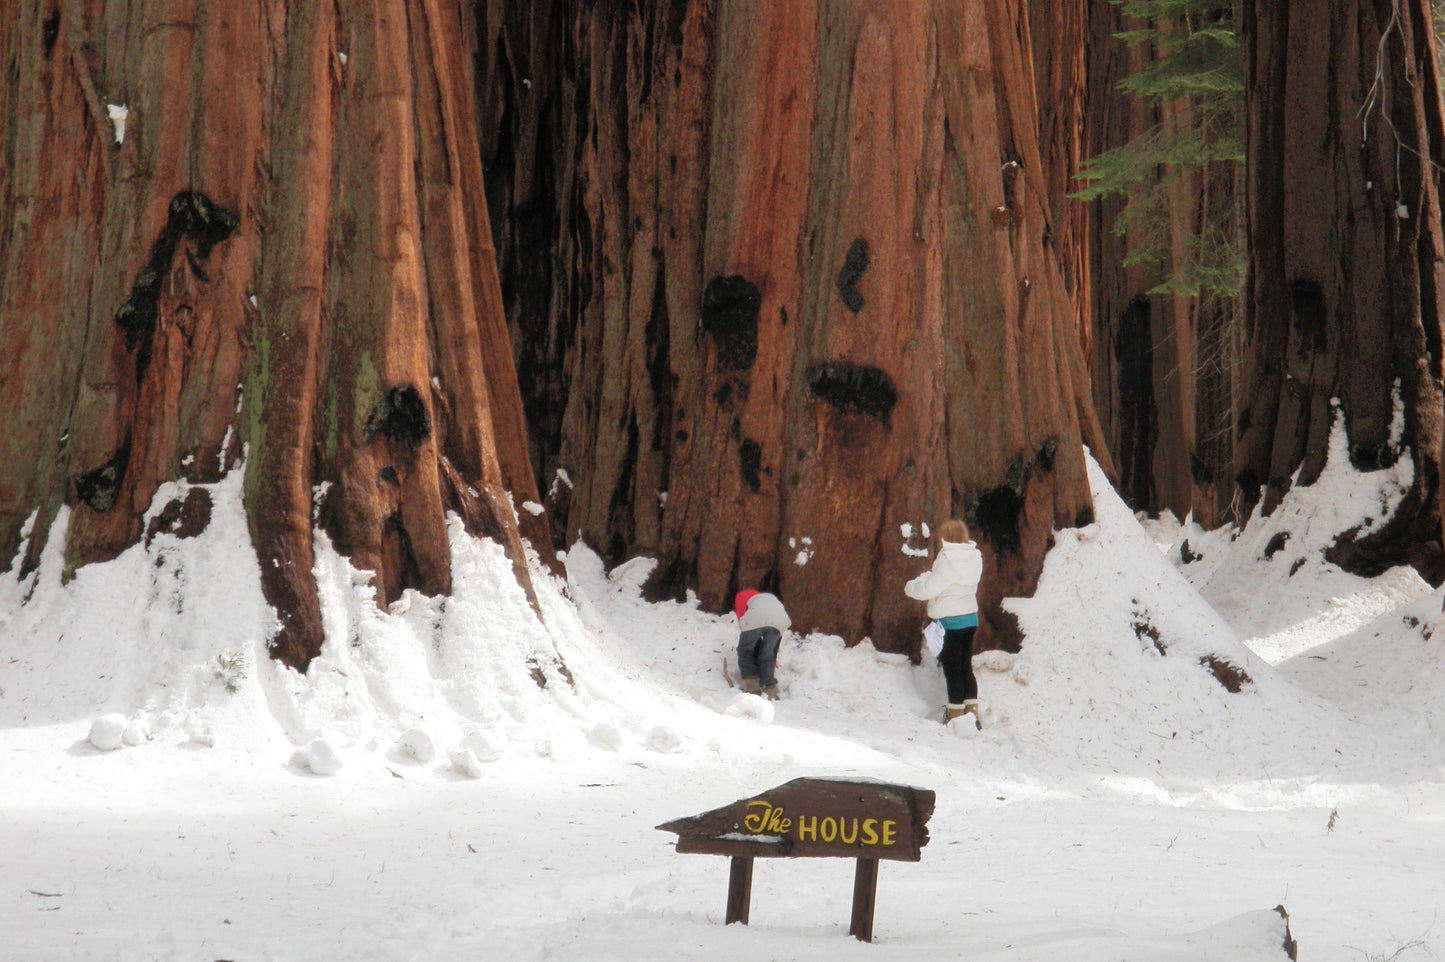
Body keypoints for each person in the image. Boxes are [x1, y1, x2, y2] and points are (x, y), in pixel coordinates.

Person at [904, 519, 984, 727]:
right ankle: (972, 714)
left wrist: (911, 587)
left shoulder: (948, 559)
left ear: (945, 537)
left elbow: (931, 588)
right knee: (965, 666)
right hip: (970, 618)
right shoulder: (975, 556)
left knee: (952, 669)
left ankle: (955, 716)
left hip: (950, 621)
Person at [734, 589, 791, 699]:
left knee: (745, 650)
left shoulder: (742, 596)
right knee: (767, 654)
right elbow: (774, 648)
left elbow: (743, 619)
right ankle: (770, 689)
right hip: (780, 621)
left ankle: (753, 687)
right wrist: (773, 660)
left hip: (757, 617)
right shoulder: (769, 599)